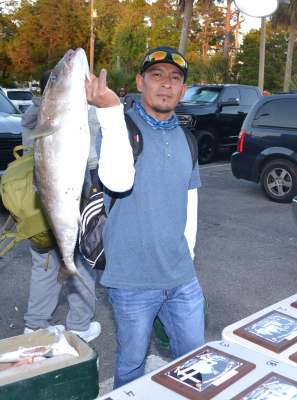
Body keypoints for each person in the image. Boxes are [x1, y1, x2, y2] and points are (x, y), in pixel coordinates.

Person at [86, 46, 205, 388]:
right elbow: (118, 181)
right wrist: (109, 110)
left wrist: (189, 257)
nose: (166, 85)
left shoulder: (187, 138)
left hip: (181, 276)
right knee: (131, 364)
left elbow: (190, 199)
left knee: (195, 362)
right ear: (140, 82)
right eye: (157, 76)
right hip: (132, 280)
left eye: (175, 78)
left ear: (183, 89)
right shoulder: (119, 127)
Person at [21, 70, 101, 342]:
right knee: (80, 261)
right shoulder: (76, 113)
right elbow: (90, 158)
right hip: (70, 199)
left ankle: (34, 325)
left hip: (36, 206)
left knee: (43, 264)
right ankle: (79, 325)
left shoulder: (34, 116)